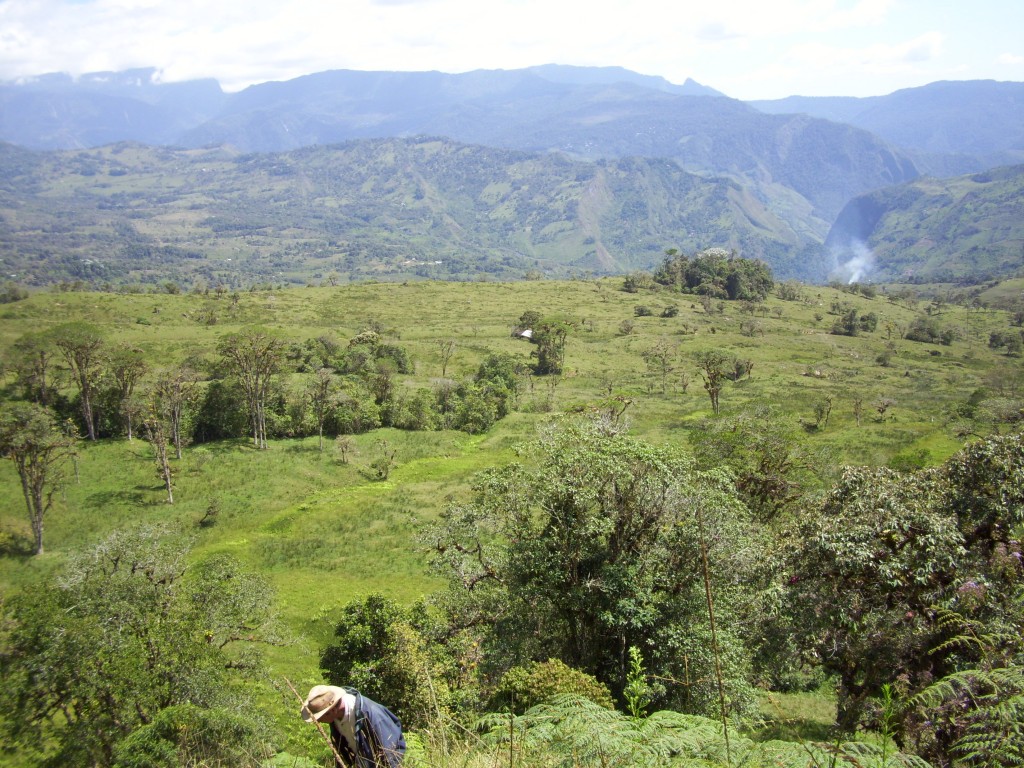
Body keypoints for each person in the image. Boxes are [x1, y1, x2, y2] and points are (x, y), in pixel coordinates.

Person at [301, 684, 406, 767]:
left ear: (332, 710)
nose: (318, 721)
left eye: (319, 717)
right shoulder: (335, 718)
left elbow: (391, 756)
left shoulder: (373, 716)